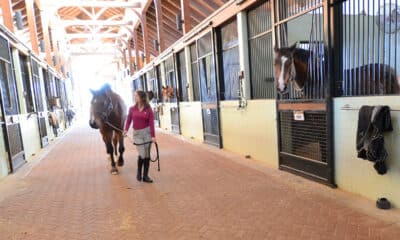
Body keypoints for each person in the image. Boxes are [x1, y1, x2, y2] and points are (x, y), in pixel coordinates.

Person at [124, 91, 156, 183]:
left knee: (147, 155)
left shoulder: (148, 109)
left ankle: (145, 176)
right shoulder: (132, 109)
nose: (135, 97)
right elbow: (129, 120)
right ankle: (139, 172)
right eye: (135, 96)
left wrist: (153, 136)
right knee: (142, 154)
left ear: (142, 97)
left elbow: (151, 123)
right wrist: (126, 130)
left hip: (147, 133)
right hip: (137, 134)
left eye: (136, 96)